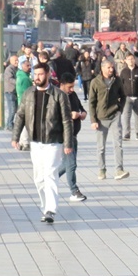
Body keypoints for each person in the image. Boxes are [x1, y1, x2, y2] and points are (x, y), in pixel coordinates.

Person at [11, 63, 74, 224]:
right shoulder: (28, 94)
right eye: (35, 74)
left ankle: (51, 210)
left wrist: (67, 143)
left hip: (53, 142)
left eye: (40, 74)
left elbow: (67, 121)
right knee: (39, 177)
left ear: (47, 75)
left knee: (50, 174)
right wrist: (15, 137)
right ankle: (45, 206)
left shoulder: (59, 95)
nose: (37, 77)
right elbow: (20, 115)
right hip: (36, 142)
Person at [87, 59, 128, 180]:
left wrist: (120, 109)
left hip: (115, 115)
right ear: (102, 68)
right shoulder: (95, 82)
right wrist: (93, 120)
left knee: (118, 143)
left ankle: (119, 169)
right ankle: (102, 169)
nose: (111, 70)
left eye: (112, 68)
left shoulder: (117, 80)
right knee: (101, 146)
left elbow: (123, 96)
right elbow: (91, 102)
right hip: (101, 117)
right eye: (109, 68)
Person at [55, 73, 88, 203]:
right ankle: (74, 191)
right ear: (61, 85)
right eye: (69, 87)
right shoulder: (56, 96)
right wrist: (70, 115)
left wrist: (82, 113)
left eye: (73, 86)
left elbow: (81, 108)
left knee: (66, 164)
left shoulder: (72, 95)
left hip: (74, 134)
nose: (71, 89)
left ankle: (49, 179)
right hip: (63, 135)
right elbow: (53, 115)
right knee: (71, 164)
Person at [118, 54, 138, 140]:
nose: (130, 61)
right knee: (126, 116)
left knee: (137, 115)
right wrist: (119, 96)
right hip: (127, 97)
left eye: (132, 59)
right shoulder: (123, 72)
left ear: (134, 60)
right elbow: (120, 84)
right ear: (126, 61)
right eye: (129, 59)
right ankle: (127, 134)